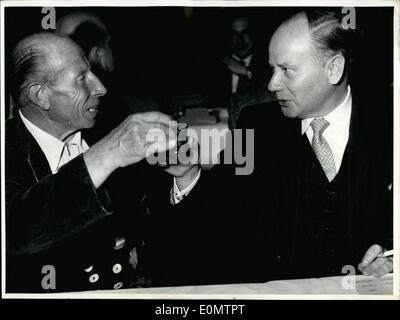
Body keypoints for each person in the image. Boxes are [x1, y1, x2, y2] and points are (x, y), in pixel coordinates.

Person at [178, 9, 393, 283]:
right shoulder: (253, 125)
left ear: (334, 69)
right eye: (272, 69)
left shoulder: (389, 124)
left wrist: (391, 254)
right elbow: (216, 206)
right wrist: (186, 174)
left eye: (286, 70)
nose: (271, 84)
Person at [5, 32, 200, 292]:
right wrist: (108, 153)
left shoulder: (106, 128)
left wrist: (184, 178)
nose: (101, 88)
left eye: (92, 73)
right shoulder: (8, 152)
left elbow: (158, 225)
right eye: (82, 78)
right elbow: (17, 228)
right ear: (40, 96)